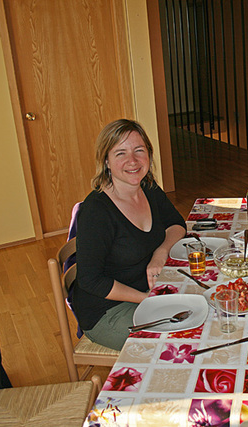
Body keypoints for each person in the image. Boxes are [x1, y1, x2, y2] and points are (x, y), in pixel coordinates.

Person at [74, 119, 186, 350]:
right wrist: (147, 299)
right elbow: (90, 280)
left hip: (148, 292)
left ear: (149, 155)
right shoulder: (96, 211)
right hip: (107, 311)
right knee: (178, 344)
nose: (132, 161)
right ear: (106, 161)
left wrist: (160, 252)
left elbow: (176, 224)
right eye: (120, 153)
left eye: (139, 151)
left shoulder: (148, 187)